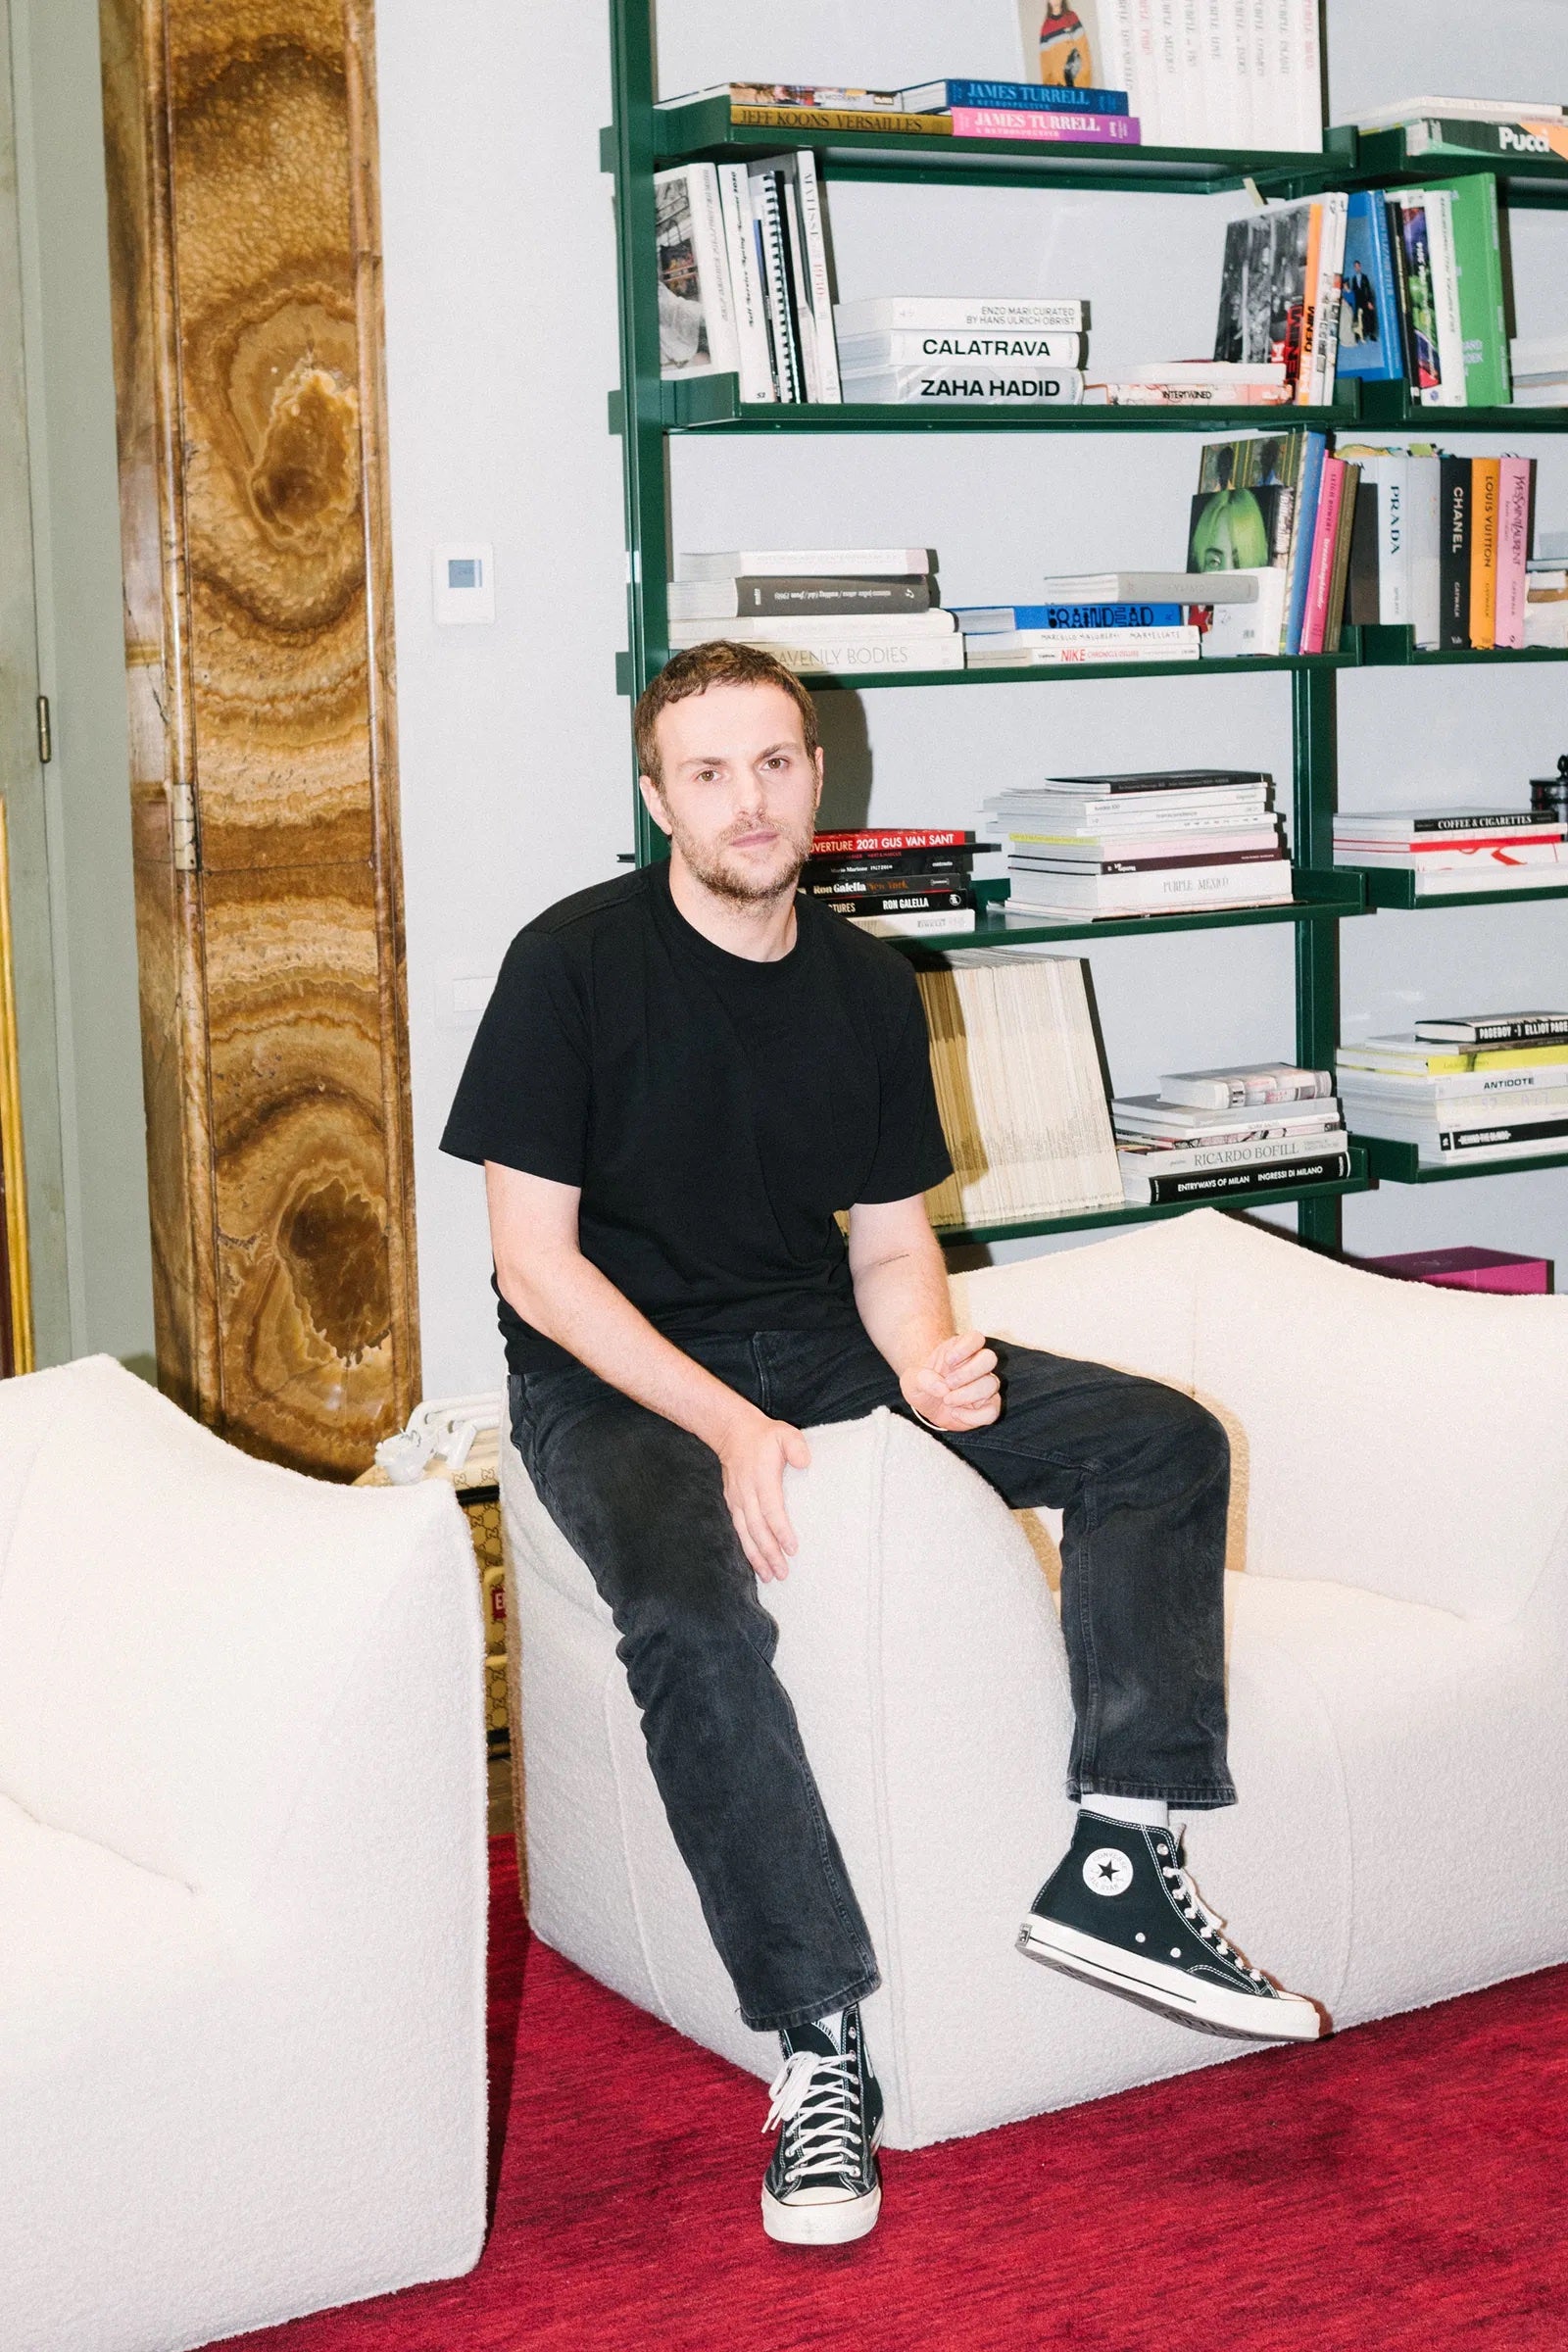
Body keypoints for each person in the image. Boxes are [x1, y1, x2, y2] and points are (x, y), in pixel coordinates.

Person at [441, 640, 1322, 2249]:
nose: (748, 800)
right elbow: (534, 1269)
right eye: (708, 772)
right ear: (657, 798)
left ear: (818, 778)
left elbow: (894, 1245)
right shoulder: (569, 966)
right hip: (612, 1375)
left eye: (774, 764)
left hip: (817, 1334)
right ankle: (817, 2046)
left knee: (1159, 1443)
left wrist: (928, 1364)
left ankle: (1121, 1857)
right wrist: (727, 1425)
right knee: (694, 1618)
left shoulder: (863, 983)